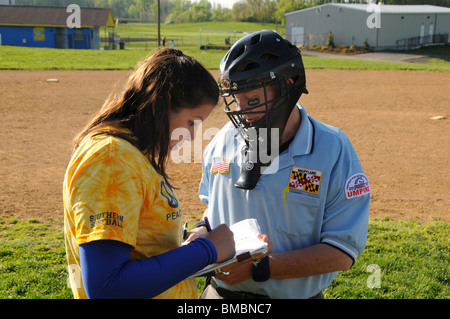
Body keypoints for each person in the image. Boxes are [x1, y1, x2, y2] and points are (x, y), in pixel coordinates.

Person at [191, 30, 370, 299]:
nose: (242, 114)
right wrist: (201, 232)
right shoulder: (221, 142)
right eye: (236, 100)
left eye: (252, 100)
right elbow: (213, 208)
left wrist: (260, 269)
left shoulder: (332, 149)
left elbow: (341, 253)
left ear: (287, 85)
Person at [63, 48, 235, 299]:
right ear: (161, 104)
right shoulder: (111, 159)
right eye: (191, 122)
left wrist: (183, 240)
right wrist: (206, 250)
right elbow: (106, 286)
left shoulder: (130, 153)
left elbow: (139, 244)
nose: (192, 136)